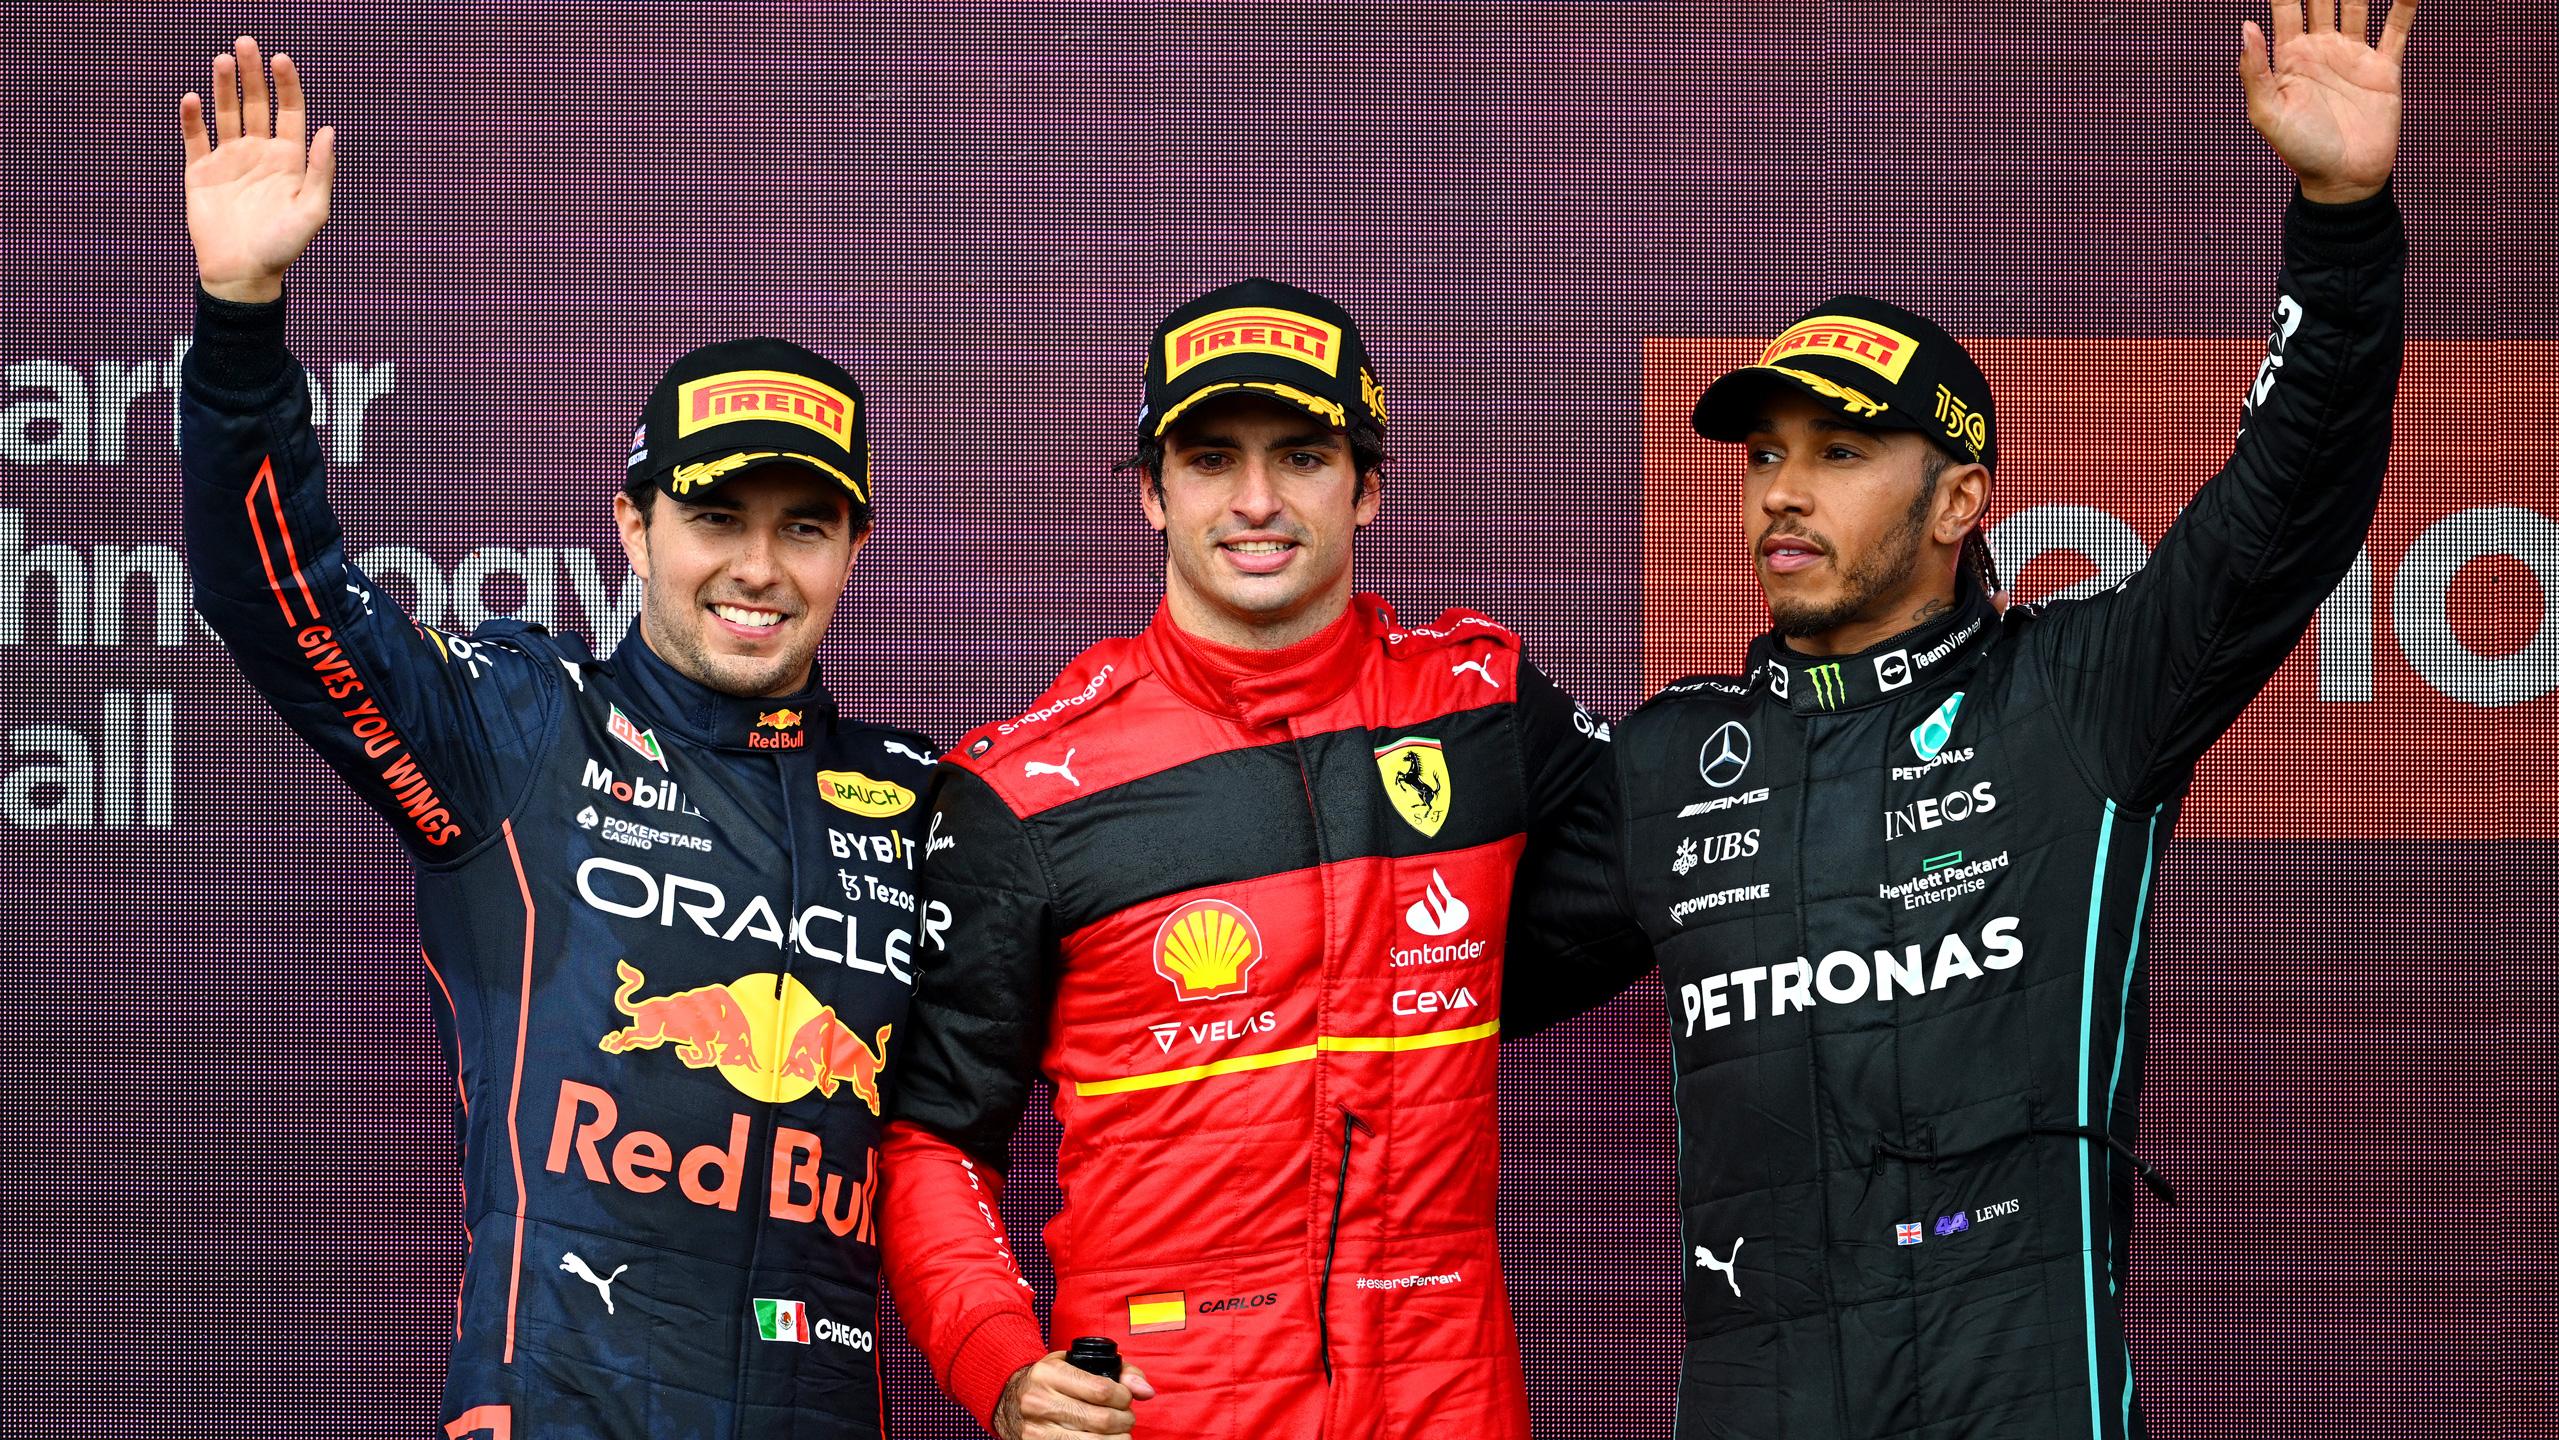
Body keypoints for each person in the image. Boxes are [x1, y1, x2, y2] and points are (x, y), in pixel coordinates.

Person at [1598, 3, 2417, 1436]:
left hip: (2020, 1395)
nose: (1779, 492)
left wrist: (2338, 225)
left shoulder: (2077, 697)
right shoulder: (1665, 758)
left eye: (1840, 453)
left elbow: (2286, 505)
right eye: (1763, 456)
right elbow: (1398, 962)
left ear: (1961, 500)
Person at [178, 39, 930, 1439]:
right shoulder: (520, 727)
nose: (757, 568)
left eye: (804, 527)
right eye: (715, 519)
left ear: (852, 550)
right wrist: (240, 319)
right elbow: (269, 595)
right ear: (633, 525)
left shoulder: (920, 803)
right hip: (560, 1408)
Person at [876, 279, 1649, 1439]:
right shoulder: (1021, 790)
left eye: (1300, 456)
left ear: (1367, 487)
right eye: (1209, 461)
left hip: (1449, 1402)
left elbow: (1687, 846)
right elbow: (933, 1135)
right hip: (1164, 1413)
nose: (1255, 501)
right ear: (1151, 494)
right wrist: (1001, 1362)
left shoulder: (1481, 710)